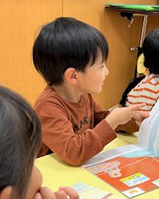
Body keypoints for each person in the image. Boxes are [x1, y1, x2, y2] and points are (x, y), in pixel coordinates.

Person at [33, 17, 149, 166]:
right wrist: (113, 120)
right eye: (101, 66)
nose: (107, 72)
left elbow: (100, 121)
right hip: (50, 173)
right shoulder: (48, 107)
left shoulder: (83, 94)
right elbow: (74, 153)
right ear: (73, 76)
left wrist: (131, 120)